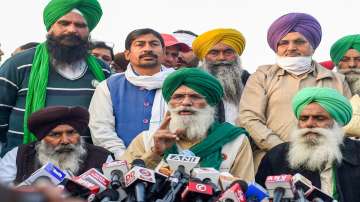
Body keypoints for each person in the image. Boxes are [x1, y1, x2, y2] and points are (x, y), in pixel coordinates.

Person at [238, 13, 351, 168]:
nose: (291, 48)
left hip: (326, 162)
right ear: (276, 46)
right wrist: (280, 149)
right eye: (284, 43)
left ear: (313, 45)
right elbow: (249, 118)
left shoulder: (337, 80)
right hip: (272, 160)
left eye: (299, 42)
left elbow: (346, 123)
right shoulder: (262, 76)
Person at [0, 0, 110, 156]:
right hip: (24, 166)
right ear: (50, 27)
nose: (72, 29)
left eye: (80, 25)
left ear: (89, 30)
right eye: (63, 23)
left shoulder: (102, 69)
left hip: (86, 169)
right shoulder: (18, 65)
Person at [120, 68, 254, 181]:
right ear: (169, 102)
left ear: (210, 104)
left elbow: (245, 191)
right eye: (178, 97)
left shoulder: (235, 141)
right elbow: (121, 185)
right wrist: (156, 153)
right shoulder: (146, 140)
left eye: (195, 97)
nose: (185, 102)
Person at [256, 87, 360, 202]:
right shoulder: (276, 157)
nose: (309, 124)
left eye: (319, 118)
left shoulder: (357, 152)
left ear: (336, 122)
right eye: (304, 119)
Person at [89, 28, 174, 158]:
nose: (148, 49)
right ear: (127, 54)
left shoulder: (180, 84)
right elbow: (101, 131)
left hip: (172, 165)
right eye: (140, 44)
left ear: (163, 53)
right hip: (122, 166)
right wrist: (126, 159)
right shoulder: (108, 86)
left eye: (154, 44)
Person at [0, 106, 112, 186]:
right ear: (42, 138)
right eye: (55, 135)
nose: (65, 141)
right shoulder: (18, 156)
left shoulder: (102, 158)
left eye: (71, 132)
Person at [192, 28, 250, 124]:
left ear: (236, 55)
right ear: (204, 57)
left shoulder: (250, 81)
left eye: (228, 52)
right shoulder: (193, 82)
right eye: (214, 53)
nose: (222, 57)